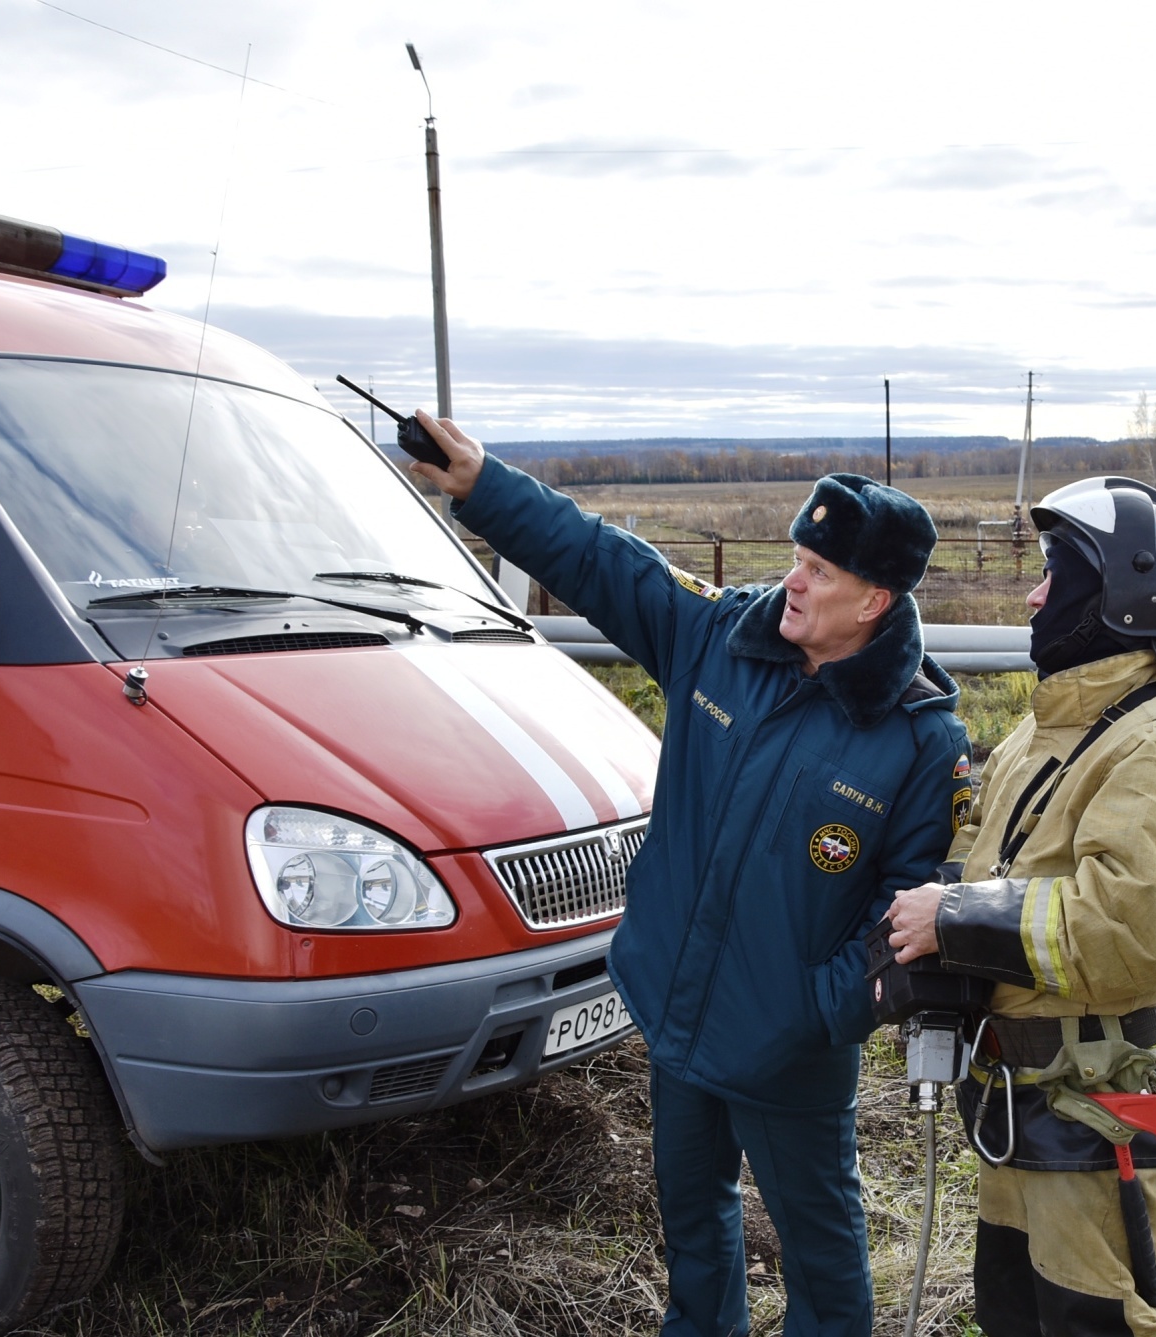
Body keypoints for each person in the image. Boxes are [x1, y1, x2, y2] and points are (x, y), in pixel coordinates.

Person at [410, 414, 970, 1337]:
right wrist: (482, 483)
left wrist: (814, 1013)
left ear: (875, 600)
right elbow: (604, 561)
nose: (794, 578)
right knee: (694, 1229)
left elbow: (906, 913)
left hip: (789, 1050)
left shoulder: (919, 740)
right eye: (798, 554)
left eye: (821, 571)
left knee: (822, 1259)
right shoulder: (725, 636)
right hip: (676, 1014)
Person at [885, 476, 1156, 1337]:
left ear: (1115, 593)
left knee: (1095, 1322)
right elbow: (1005, 861)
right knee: (1018, 1315)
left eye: (1054, 571)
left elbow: (1134, 929)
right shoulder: (1058, 724)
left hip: (1098, 1123)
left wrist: (954, 917)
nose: (1033, 592)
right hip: (1027, 1105)